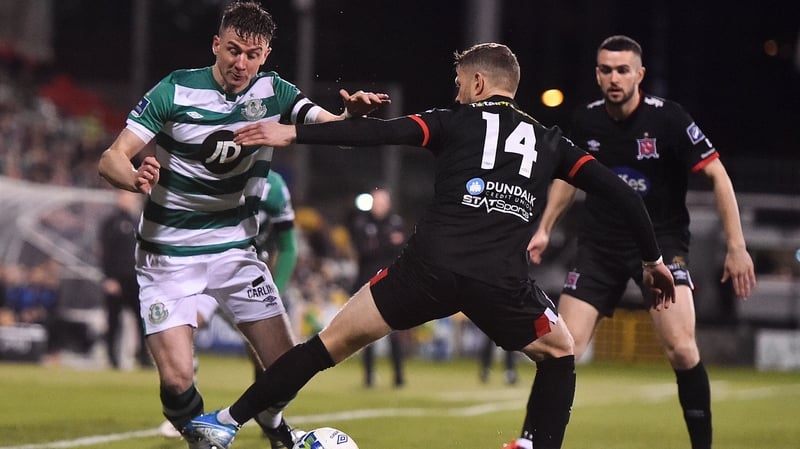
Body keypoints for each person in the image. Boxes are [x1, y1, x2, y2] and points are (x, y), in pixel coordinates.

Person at [181, 42, 677, 449]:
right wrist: (653, 261)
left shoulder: (451, 121)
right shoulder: (550, 141)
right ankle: (534, 445)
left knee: (325, 346)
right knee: (560, 351)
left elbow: (378, 135)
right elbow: (622, 197)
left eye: (460, 83)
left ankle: (225, 421)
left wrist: (292, 132)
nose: (457, 93)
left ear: (479, 84)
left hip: (426, 270)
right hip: (500, 281)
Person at [96, 2, 389, 448]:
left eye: (252, 55)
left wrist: (350, 117)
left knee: (288, 367)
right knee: (177, 380)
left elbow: (328, 128)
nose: (240, 63)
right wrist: (134, 178)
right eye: (232, 50)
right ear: (216, 44)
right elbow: (111, 157)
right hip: (167, 253)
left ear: (266, 55)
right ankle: (205, 438)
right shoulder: (176, 90)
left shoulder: (276, 93)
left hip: (235, 251)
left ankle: (274, 430)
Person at [526, 35, 757, 449]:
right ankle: (531, 443)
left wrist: (736, 246)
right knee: (561, 350)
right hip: (598, 247)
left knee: (682, 351)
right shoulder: (585, 120)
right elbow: (566, 180)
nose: (613, 78)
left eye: (622, 70)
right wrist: (545, 226)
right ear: (597, 74)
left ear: (640, 74)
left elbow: (717, 174)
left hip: (662, 245)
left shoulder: (669, 119)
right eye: (605, 69)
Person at [158, 168, 299, 438]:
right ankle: (189, 413)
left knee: (262, 354)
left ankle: (267, 412)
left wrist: (276, 290)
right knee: (186, 322)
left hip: (244, 277)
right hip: (206, 270)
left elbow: (288, 245)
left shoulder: (274, 187)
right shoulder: (207, 172)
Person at [347, 187, 407, 388]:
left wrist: (378, 245)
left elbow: (401, 248)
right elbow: (364, 251)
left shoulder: (395, 221)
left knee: (395, 331)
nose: (380, 205)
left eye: (383, 201)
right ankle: (369, 376)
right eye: (377, 201)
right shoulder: (362, 223)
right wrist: (386, 243)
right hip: (367, 283)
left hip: (391, 283)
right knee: (367, 333)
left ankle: (399, 376)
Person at [99, 189, 152, 370]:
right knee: (114, 321)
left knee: (142, 320)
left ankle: (143, 357)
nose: (127, 199)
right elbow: (104, 253)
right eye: (124, 195)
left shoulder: (139, 222)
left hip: (136, 279)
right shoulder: (111, 223)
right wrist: (108, 278)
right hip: (116, 279)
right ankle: (112, 358)